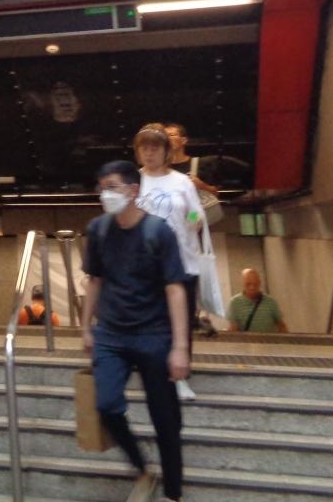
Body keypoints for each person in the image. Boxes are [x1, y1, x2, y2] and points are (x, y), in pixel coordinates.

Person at [82, 161, 191, 502]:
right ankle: (142, 468)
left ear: (133, 190)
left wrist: (180, 347)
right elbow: (95, 281)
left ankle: (173, 493)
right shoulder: (97, 230)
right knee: (106, 404)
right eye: (101, 187)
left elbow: (175, 288)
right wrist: (85, 328)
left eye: (112, 187)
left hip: (153, 335)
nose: (105, 194)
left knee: (165, 420)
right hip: (111, 334)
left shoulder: (158, 232)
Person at [134, 123, 206, 401]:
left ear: (166, 151)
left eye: (155, 147)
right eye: (144, 148)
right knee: (150, 321)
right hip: (144, 266)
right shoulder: (133, 181)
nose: (149, 152)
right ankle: (152, 372)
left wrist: (191, 222)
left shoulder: (182, 182)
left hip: (182, 262)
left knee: (181, 321)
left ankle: (179, 376)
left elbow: (196, 214)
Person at [163, 123, 220, 197]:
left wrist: (202, 186)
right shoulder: (159, 167)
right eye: (164, 136)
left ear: (184, 140)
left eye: (171, 135)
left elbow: (215, 193)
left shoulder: (200, 164)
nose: (167, 139)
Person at [227, 268, 288, 333]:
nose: (252, 287)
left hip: (269, 339)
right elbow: (233, 330)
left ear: (259, 283)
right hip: (246, 340)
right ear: (243, 283)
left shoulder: (271, 302)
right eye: (248, 284)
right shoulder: (234, 303)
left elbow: (281, 326)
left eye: (255, 284)